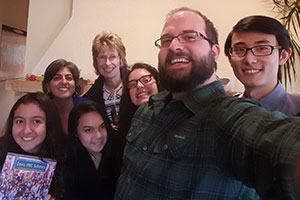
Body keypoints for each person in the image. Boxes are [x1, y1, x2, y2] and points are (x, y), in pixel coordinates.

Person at [115, 7, 300, 200]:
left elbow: (279, 145)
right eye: (166, 40)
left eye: (189, 36)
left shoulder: (226, 118)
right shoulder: (146, 109)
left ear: (215, 52)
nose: (174, 46)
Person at [224, 15, 300, 116]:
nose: (249, 60)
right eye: (240, 49)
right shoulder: (225, 112)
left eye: (262, 48)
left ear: (283, 56)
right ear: (230, 58)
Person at [0, 92, 65, 199]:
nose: (26, 130)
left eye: (36, 121)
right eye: (19, 121)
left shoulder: (66, 160)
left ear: (50, 124)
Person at [62, 101, 118, 200]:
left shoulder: (117, 155)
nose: (99, 135)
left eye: (102, 127)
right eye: (88, 130)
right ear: (76, 133)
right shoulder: (66, 162)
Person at [42, 59, 86, 135]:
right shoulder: (41, 110)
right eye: (57, 78)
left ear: (75, 84)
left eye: (68, 78)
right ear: (48, 86)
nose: (64, 82)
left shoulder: (86, 108)